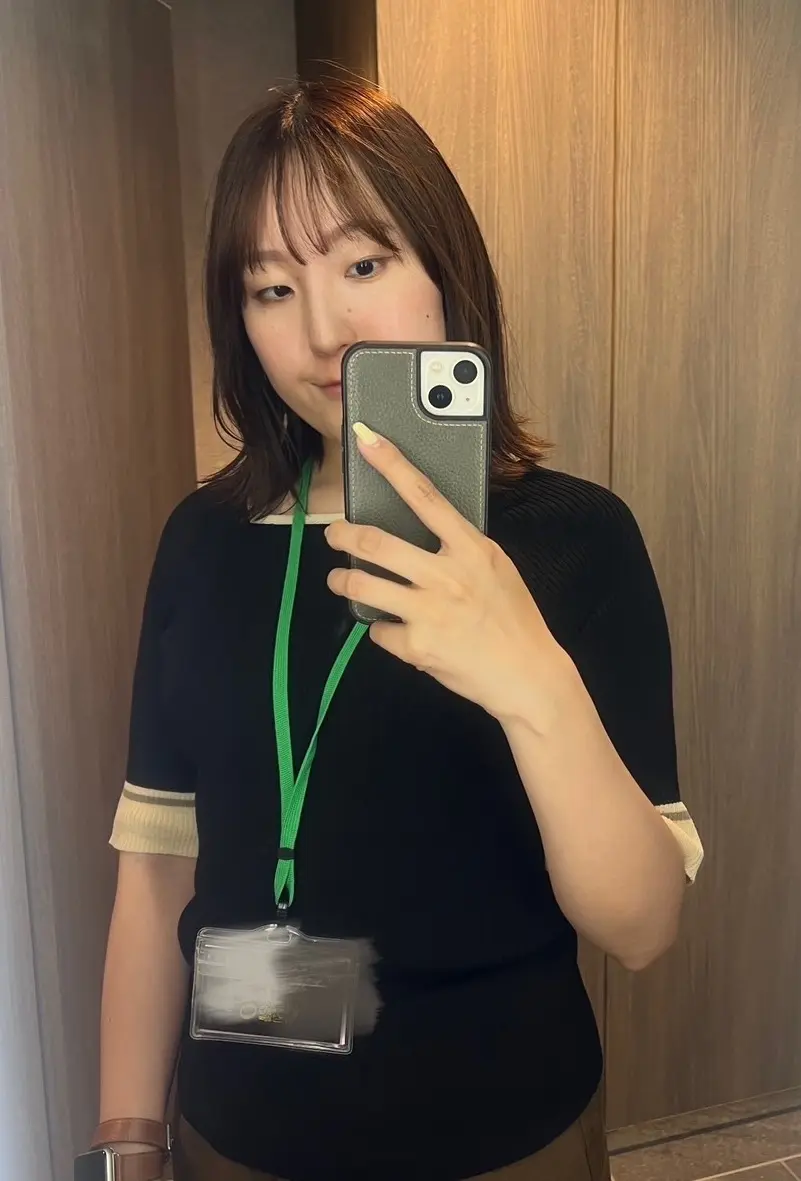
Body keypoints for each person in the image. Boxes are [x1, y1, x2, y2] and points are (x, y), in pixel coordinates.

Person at [92, 78, 703, 1181]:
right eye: (272, 288)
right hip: (238, 1137)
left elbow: (643, 924)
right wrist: (129, 1137)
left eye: (364, 265)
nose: (324, 331)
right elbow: (157, 869)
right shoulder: (202, 541)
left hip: (504, 1137)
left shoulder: (575, 540)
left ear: (443, 268)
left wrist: (530, 678)